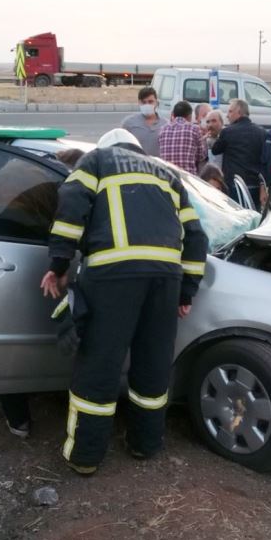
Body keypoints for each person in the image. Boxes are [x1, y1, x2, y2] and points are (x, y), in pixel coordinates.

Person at [40, 128, 208, 475]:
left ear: (107, 145)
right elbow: (195, 234)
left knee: (99, 364)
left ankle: (85, 457)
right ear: (135, 148)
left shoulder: (97, 160)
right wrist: (186, 291)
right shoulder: (166, 172)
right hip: (165, 279)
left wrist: (58, 265)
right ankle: (145, 445)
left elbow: (71, 205)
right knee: (152, 363)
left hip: (112, 276)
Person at [211, 99, 267, 210]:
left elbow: (215, 150)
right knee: (254, 216)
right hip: (255, 185)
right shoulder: (261, 132)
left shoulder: (227, 132)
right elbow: (265, 160)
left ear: (239, 112)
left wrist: (215, 136)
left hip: (234, 185)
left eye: (230, 111)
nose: (227, 116)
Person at [158, 100, 206, 174]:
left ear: (173, 114)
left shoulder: (162, 129)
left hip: (167, 177)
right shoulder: (194, 129)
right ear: (190, 116)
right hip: (188, 178)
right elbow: (201, 156)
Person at [120, 86, 167, 157]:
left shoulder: (166, 124)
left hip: (158, 166)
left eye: (150, 102)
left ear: (156, 103)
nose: (147, 105)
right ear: (139, 103)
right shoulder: (129, 123)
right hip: (137, 166)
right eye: (144, 102)